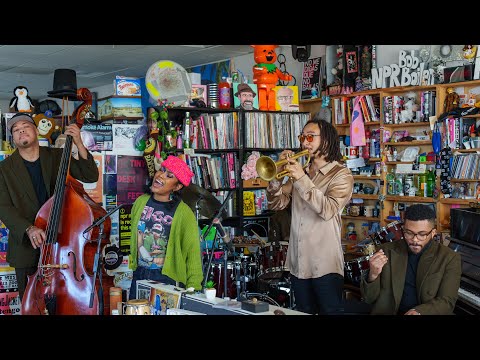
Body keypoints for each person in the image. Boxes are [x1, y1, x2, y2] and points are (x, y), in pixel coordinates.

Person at [0, 113, 99, 301]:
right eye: (15, 129)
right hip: (26, 248)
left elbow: (90, 175)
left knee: (66, 301)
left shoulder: (58, 156)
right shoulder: (3, 169)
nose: (21, 130)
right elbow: (3, 206)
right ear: (13, 139)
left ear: (36, 131)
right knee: (31, 304)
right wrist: (28, 228)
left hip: (63, 243)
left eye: (25, 126)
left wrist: (78, 142)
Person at [266, 116, 354, 314]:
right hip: (298, 262)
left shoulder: (341, 174)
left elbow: (327, 210)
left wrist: (301, 178)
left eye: (310, 137)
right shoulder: (303, 171)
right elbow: (277, 203)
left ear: (327, 140)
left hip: (325, 264)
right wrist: (275, 178)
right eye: (302, 137)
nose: (304, 142)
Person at [360, 204, 461, 315]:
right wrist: (373, 275)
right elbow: (368, 299)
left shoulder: (449, 258)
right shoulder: (386, 251)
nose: (414, 240)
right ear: (403, 229)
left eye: (422, 234)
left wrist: (419, 312)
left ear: (433, 233)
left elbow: (447, 301)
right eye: (409, 233)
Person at [128, 155, 203, 300]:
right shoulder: (140, 202)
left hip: (167, 277)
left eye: (169, 176)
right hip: (139, 273)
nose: (160, 175)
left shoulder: (184, 214)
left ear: (177, 186)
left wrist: (193, 290)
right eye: (162, 170)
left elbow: (193, 255)